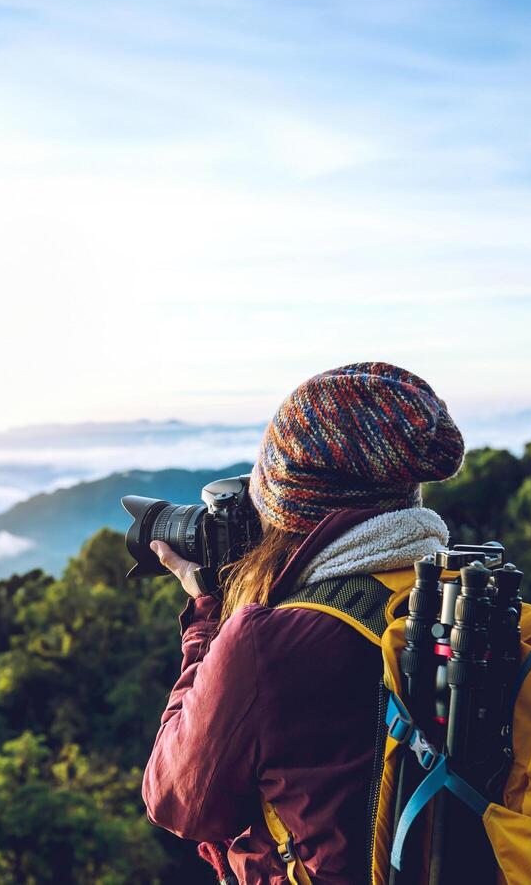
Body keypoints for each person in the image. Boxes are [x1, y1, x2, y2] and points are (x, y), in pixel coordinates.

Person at [140, 362, 468, 883]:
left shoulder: (267, 643)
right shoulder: (460, 594)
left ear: (288, 507)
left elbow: (177, 799)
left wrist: (207, 618)